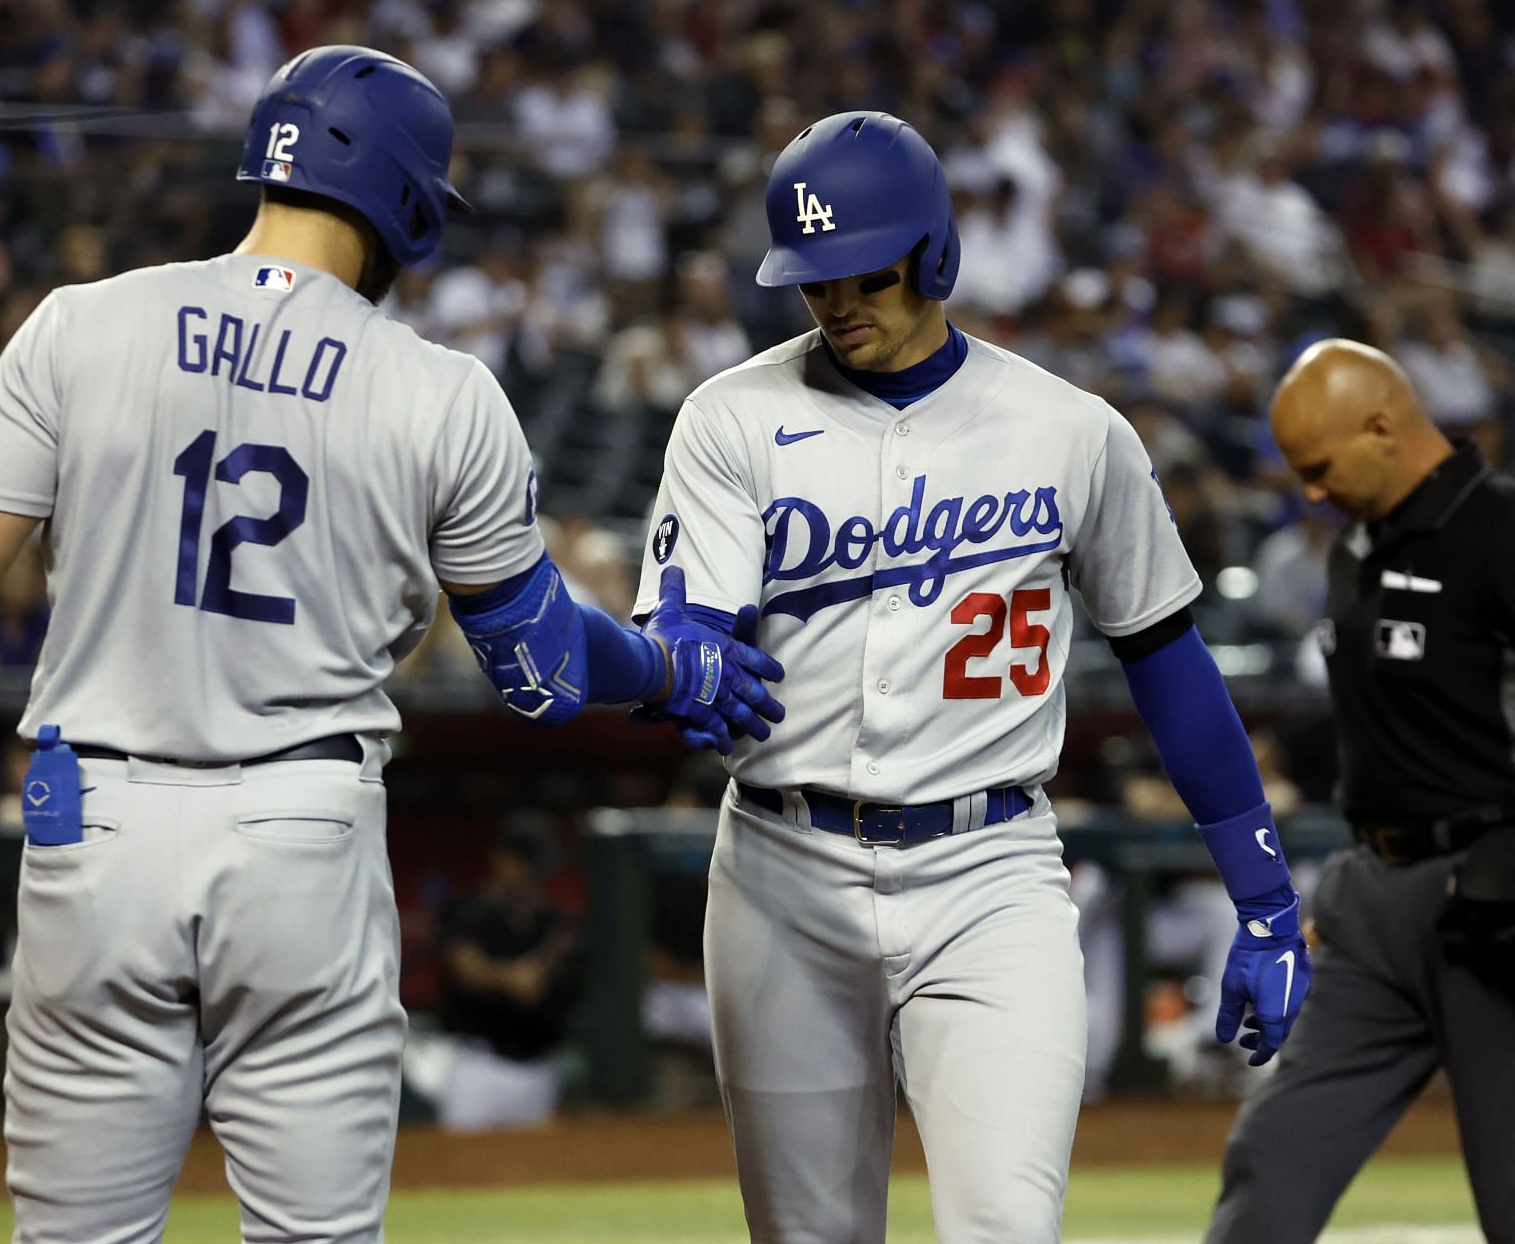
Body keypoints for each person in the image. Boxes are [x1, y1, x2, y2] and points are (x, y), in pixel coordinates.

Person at [0, 46, 784, 1244]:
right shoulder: (439, 390)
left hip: (94, 824)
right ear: (404, 203)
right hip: (300, 831)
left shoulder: (79, 325)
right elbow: (540, 673)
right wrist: (670, 665)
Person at [633, 112, 1311, 1243]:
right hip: (781, 868)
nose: (838, 302)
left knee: (1006, 1222)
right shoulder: (730, 416)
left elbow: (1167, 658)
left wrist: (1266, 894)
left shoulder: (1068, 430)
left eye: (866, 273)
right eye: (813, 282)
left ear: (935, 255)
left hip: (990, 871)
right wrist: (684, 660)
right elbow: (687, 626)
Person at [1206, 339, 1515, 1242]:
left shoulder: (1498, 530)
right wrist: (1356, 874)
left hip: (1494, 901)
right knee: (1274, 1155)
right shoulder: (1355, 550)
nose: (1307, 492)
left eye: (1317, 468)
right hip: (1373, 910)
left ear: (1383, 427)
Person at [432, 811, 581, 1131]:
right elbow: (465, 968)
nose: (533, 873)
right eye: (525, 861)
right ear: (502, 859)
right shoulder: (467, 911)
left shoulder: (553, 921)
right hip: (479, 1067)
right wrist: (509, 977)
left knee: (537, 1175)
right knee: (460, 1171)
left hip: (541, 1066)